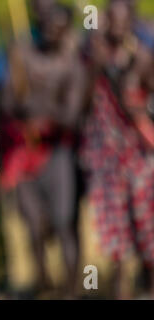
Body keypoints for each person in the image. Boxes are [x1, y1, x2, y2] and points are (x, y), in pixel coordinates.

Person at [1, 2, 87, 297]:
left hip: (56, 153)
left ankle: (72, 290)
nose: (51, 29)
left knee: (64, 223)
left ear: (67, 29)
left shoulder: (72, 66)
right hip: (24, 152)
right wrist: (18, 102)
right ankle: (41, 283)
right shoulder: (22, 56)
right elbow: (8, 104)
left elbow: (72, 118)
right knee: (33, 224)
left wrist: (42, 113)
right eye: (47, 22)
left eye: (58, 24)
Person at [80, 0, 154, 298]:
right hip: (104, 154)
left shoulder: (143, 56)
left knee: (147, 221)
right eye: (112, 20)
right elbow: (83, 105)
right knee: (114, 227)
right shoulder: (93, 55)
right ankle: (118, 291)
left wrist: (130, 80)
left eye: (124, 21)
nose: (118, 27)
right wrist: (96, 69)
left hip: (138, 152)